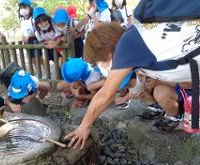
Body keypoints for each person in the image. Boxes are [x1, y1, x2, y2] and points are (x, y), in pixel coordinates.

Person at [65, 19, 197, 149]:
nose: (101, 68)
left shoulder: (128, 48)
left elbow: (105, 94)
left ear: (109, 54)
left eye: (99, 63)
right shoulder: (137, 35)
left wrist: (84, 126)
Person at [18, 0, 44, 73]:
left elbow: (38, 31)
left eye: (25, 7)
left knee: (39, 58)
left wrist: (29, 36)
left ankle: (46, 71)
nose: (23, 10)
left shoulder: (33, 19)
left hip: (34, 40)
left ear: (29, 8)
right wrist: (23, 37)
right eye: (21, 8)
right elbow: (23, 31)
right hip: (27, 42)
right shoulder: (22, 20)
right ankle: (39, 72)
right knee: (32, 59)